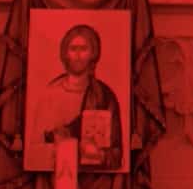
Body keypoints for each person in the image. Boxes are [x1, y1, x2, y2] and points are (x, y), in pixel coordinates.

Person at [31, 23, 124, 171]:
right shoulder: (50, 93)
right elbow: (35, 150)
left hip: (94, 177)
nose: (78, 55)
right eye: (73, 49)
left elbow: (116, 155)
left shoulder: (104, 96)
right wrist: (61, 146)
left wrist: (99, 155)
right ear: (65, 53)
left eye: (84, 49)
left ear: (93, 53)